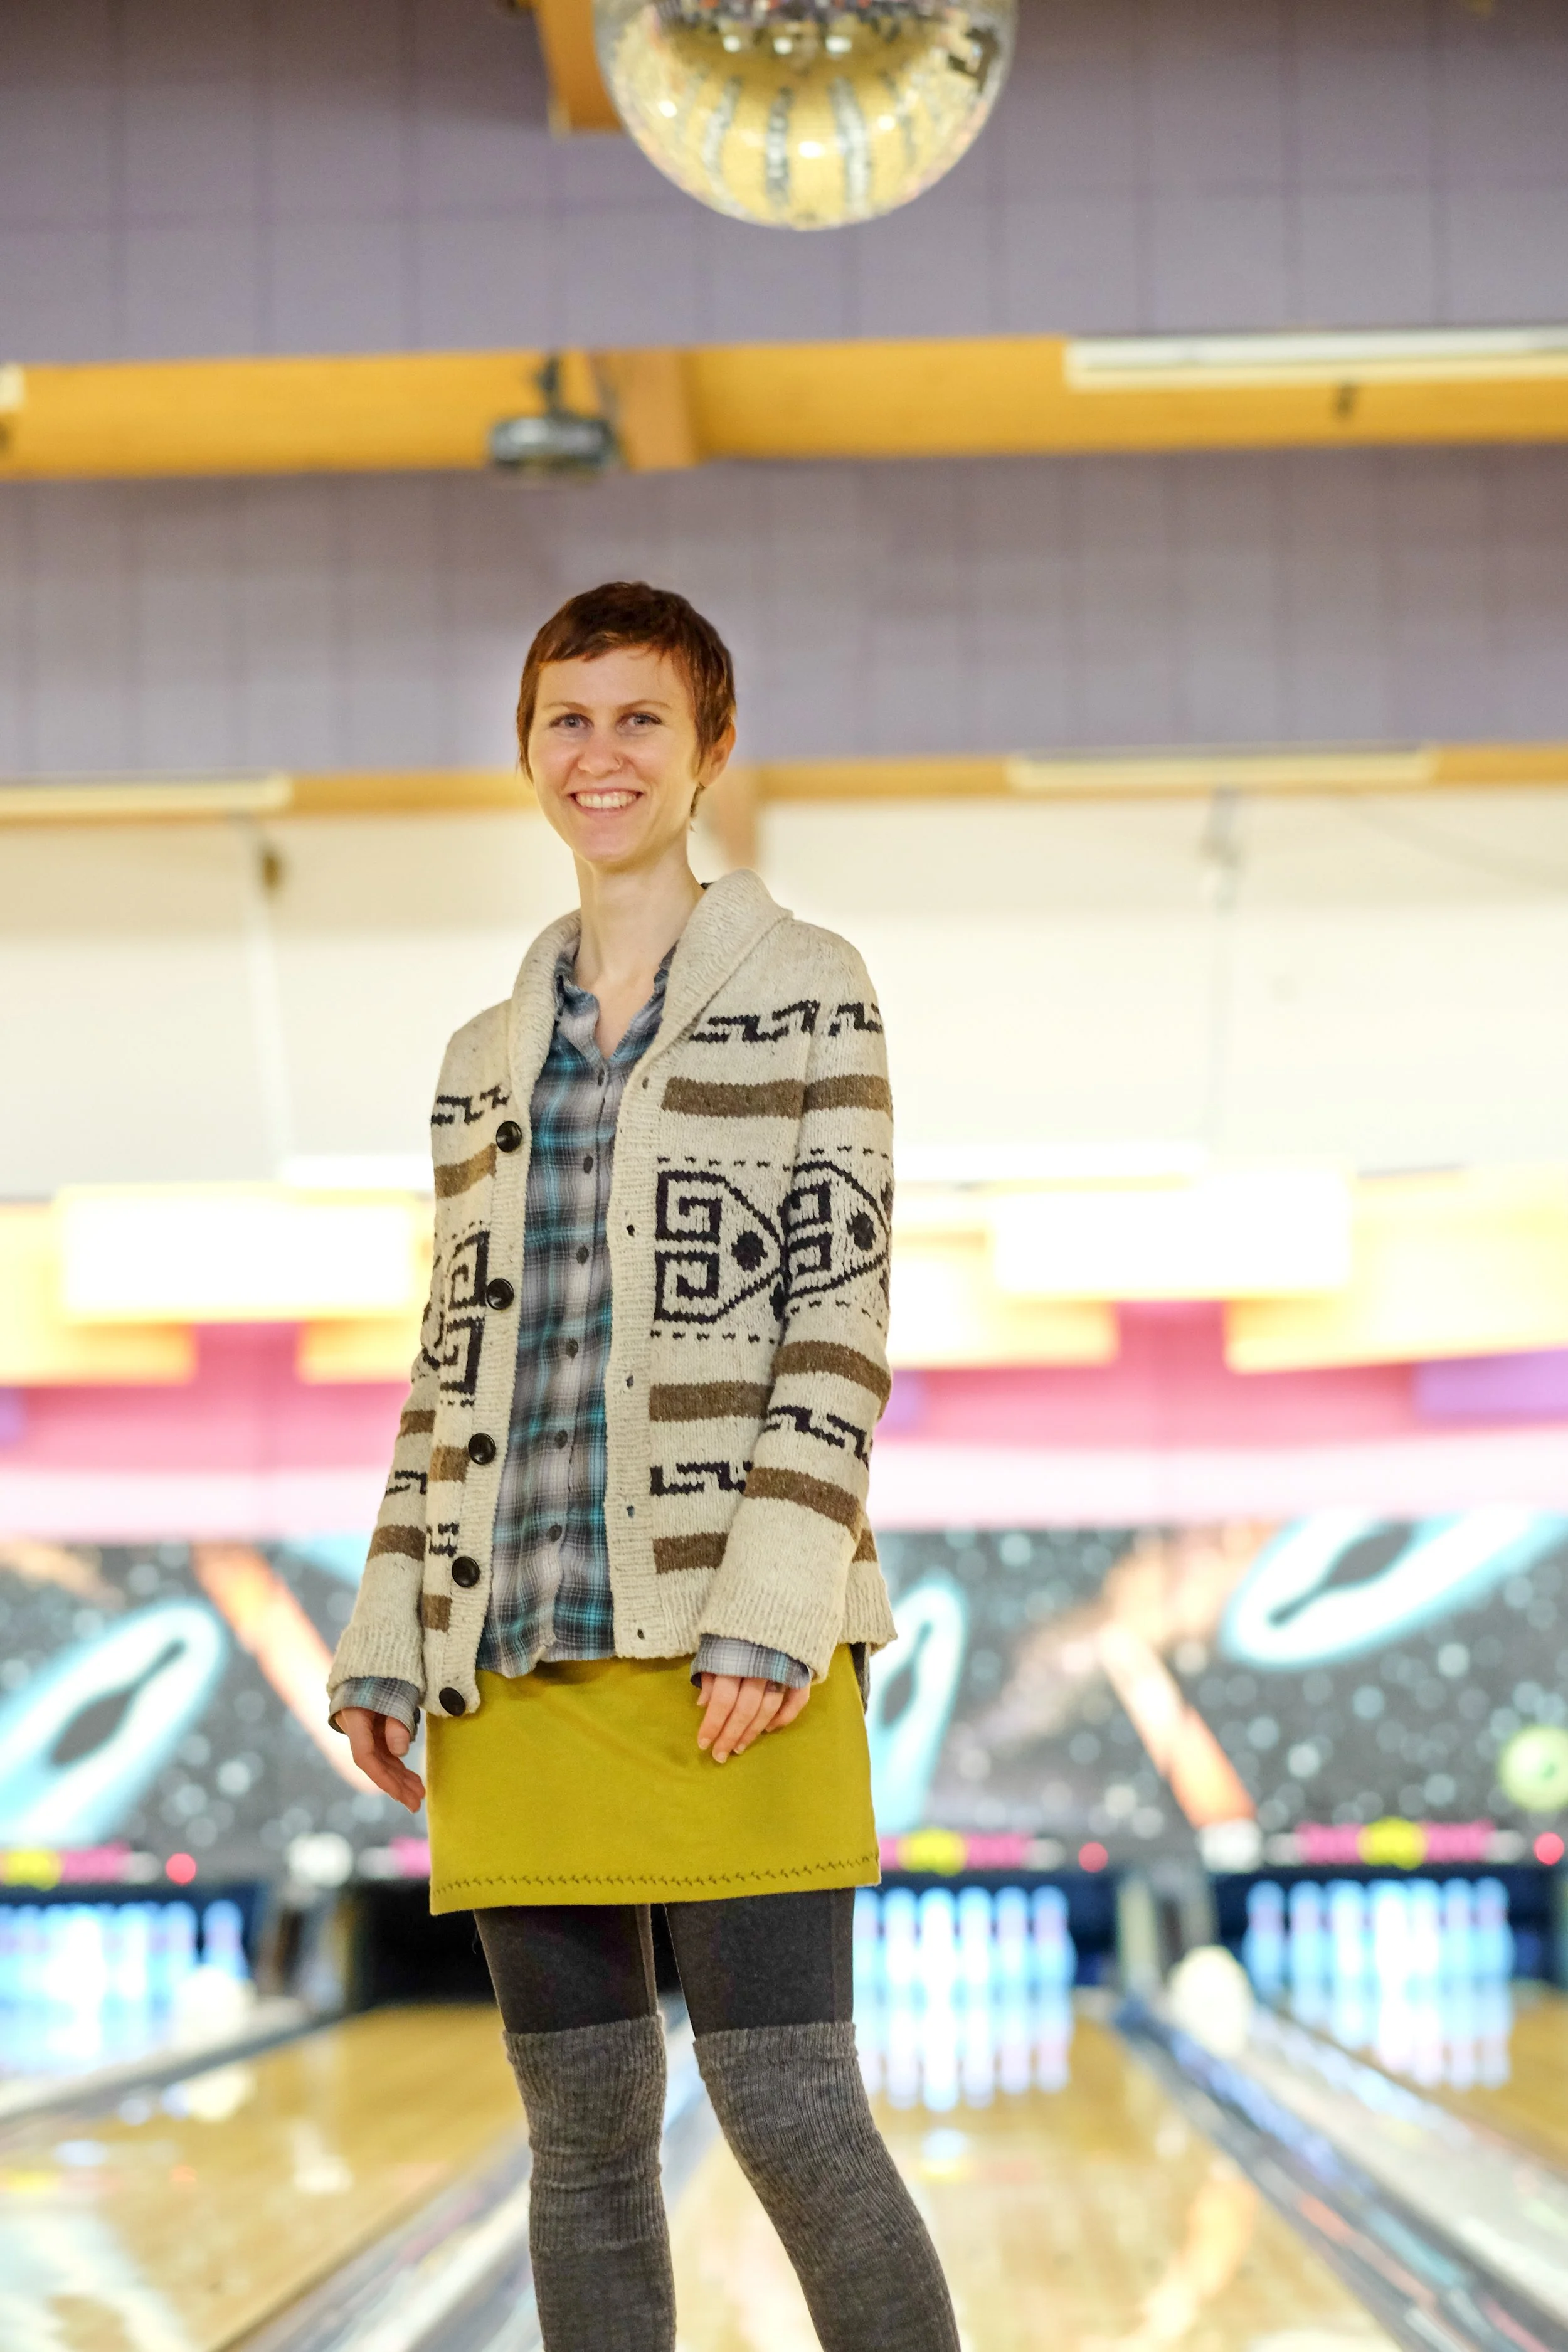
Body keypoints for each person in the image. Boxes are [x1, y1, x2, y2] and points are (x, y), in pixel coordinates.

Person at [327, 580, 958, 2352]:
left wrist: (772, 1607)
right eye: (567, 717)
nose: (598, 753)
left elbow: (837, 1320)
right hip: (510, 1660)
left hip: (728, 1655)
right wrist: (386, 1634)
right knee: (584, 2145)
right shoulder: (479, 1063)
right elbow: (445, 1370)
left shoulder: (813, 991)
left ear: (709, 752)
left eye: (639, 719)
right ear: (527, 748)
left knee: (796, 2116)